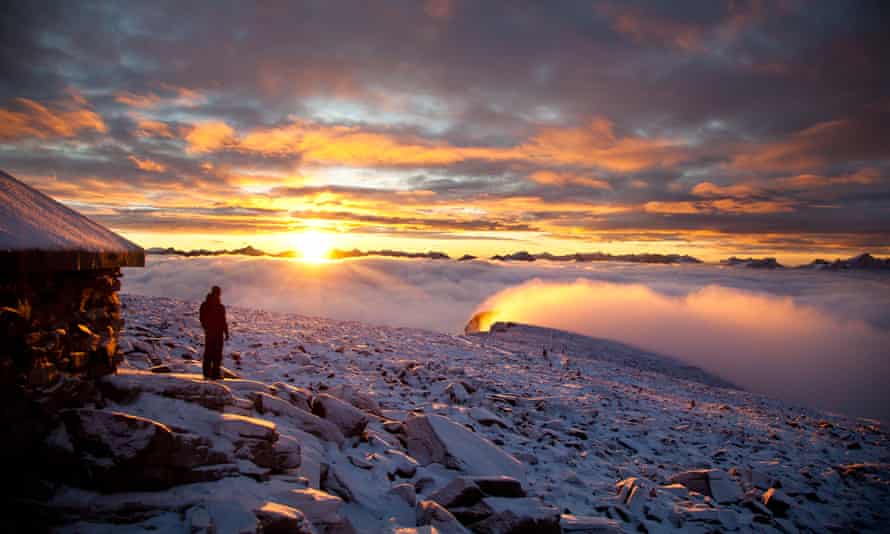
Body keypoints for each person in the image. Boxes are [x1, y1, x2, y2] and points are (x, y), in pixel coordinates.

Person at [199, 286, 229, 379]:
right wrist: (226, 332)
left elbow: (202, 318)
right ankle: (215, 374)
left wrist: (206, 327)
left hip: (211, 332)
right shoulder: (220, 306)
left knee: (209, 353)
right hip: (217, 333)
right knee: (216, 354)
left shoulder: (205, 304)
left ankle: (207, 373)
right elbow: (223, 321)